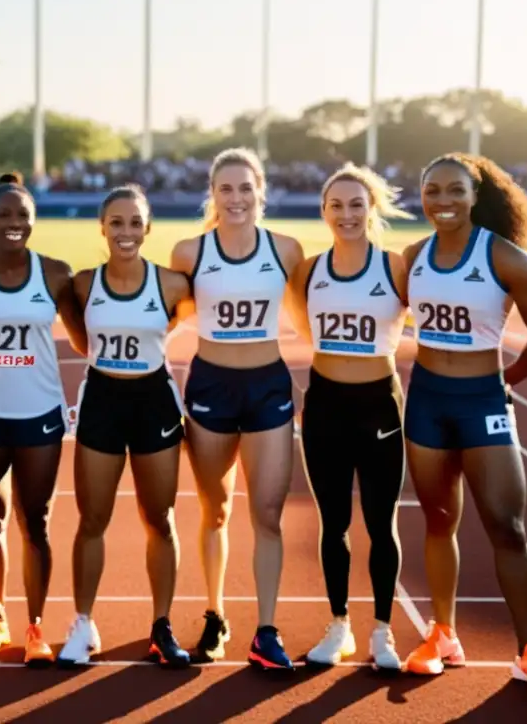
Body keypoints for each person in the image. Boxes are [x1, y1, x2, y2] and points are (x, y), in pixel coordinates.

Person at [401, 153, 527, 701]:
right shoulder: (413, 257)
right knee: (438, 518)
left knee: (506, 525)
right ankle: (443, 635)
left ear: (476, 196)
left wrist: (508, 380)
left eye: (454, 191)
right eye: (432, 192)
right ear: (421, 197)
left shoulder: (506, 258)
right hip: (426, 400)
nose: (442, 202)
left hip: (481, 400)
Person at [168, 147, 304, 668]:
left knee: (267, 513)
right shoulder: (189, 253)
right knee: (215, 510)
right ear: (213, 195)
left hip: (268, 386)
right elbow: (168, 318)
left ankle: (266, 630)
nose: (236, 198)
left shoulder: (286, 250)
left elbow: (305, 320)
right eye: (226, 189)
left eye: (245, 188)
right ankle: (215, 613)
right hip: (211, 387)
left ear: (261, 193)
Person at [0, 172, 85, 667]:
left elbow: (85, 341)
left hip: (39, 416)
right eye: (3, 214)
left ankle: (34, 628)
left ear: (33, 220)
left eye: (22, 216)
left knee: (37, 523)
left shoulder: (55, 275)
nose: (13, 223)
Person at [56, 184, 192, 670]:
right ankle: (82, 622)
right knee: (92, 520)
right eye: (117, 222)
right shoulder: (84, 284)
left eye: (135, 222)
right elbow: (77, 335)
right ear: (103, 228)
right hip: (102, 401)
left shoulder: (172, 284)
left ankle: (162, 625)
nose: (126, 232)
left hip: (153, 401)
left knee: (160, 519)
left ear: (148, 227)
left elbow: (195, 319)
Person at [287, 164, 414, 671]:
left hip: (379, 404)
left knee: (382, 523)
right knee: (333, 522)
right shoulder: (309, 270)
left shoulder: (395, 268)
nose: (346, 214)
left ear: (372, 210)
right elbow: (303, 326)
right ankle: (338, 625)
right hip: (325, 404)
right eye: (336, 205)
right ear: (323, 212)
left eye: (357, 204)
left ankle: (382, 632)